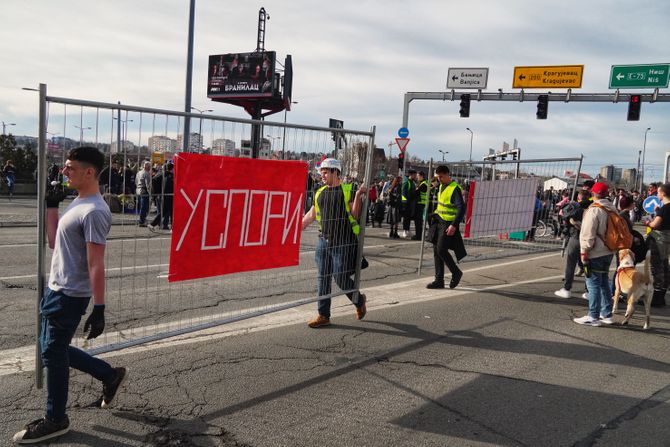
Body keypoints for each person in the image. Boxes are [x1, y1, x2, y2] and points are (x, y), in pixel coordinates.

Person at [13, 147, 127, 444]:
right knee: (53, 347)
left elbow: (95, 262)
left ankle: (56, 419)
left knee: (52, 352)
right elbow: (54, 242)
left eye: (70, 168)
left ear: (89, 172)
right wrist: (52, 206)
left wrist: (99, 307)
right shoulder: (78, 202)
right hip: (56, 289)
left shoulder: (95, 211)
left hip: (70, 295)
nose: (64, 172)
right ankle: (109, 375)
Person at [301, 158, 368, 328]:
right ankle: (323, 315)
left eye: (325, 171)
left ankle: (359, 301)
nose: (322, 175)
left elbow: (355, 215)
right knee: (323, 278)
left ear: (335, 172)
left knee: (340, 277)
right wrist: (294, 229)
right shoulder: (319, 192)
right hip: (324, 241)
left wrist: (359, 195)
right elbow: (311, 215)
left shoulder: (348, 189)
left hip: (343, 242)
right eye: (321, 172)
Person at [573, 182, 616, 326]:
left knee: (592, 283)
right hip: (609, 250)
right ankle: (607, 314)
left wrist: (584, 251)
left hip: (595, 251)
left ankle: (593, 316)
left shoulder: (594, 210)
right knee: (604, 282)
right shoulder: (612, 208)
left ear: (593, 194)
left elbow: (588, 233)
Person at [427, 165, 467, 289]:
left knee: (441, 249)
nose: (439, 179)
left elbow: (461, 208)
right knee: (436, 251)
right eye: (438, 177)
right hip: (439, 221)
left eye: (441, 177)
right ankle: (439, 280)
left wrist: (454, 225)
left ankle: (456, 272)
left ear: (447, 174)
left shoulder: (454, 188)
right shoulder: (440, 186)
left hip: (448, 223)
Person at [554, 190, 590, 298]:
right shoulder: (593, 208)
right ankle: (588, 290)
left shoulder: (574, 207)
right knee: (587, 265)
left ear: (579, 198)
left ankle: (567, 288)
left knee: (571, 264)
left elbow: (565, 217)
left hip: (575, 239)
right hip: (588, 240)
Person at [643, 182, 670, 307]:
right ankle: (662, 295)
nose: (657, 194)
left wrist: (648, 223)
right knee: (665, 266)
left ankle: (657, 298)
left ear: (663, 193)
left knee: (657, 267)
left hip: (659, 240)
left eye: (658, 192)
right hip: (667, 240)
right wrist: (658, 211)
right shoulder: (664, 208)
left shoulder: (665, 208)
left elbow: (656, 224)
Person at [149, 162, 174, 230]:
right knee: (171, 212)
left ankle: (152, 224)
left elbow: (154, 180)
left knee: (163, 212)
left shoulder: (162, 174)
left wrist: (157, 192)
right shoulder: (170, 176)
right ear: (172, 168)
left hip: (162, 196)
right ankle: (172, 228)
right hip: (169, 196)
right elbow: (170, 186)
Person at [411, 171, 428, 240]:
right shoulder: (423, 183)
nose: (417, 177)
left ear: (421, 176)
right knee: (419, 221)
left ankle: (418, 235)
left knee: (418, 221)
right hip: (421, 204)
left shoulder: (423, 184)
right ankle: (419, 235)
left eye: (418, 176)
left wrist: (414, 190)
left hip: (420, 204)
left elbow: (416, 193)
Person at [401, 169, 417, 238]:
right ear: (411, 175)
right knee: (406, 217)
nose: (415, 176)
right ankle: (405, 231)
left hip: (411, 203)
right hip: (406, 203)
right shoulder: (406, 182)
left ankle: (407, 230)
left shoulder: (412, 182)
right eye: (414, 175)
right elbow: (403, 192)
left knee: (409, 217)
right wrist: (407, 200)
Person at [135, 161, 152, 226]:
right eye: (149, 166)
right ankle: (142, 221)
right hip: (144, 191)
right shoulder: (147, 174)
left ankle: (142, 220)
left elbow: (136, 181)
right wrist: (150, 194)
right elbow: (148, 185)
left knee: (141, 207)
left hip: (138, 190)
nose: (150, 167)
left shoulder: (139, 172)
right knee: (144, 207)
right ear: (147, 166)